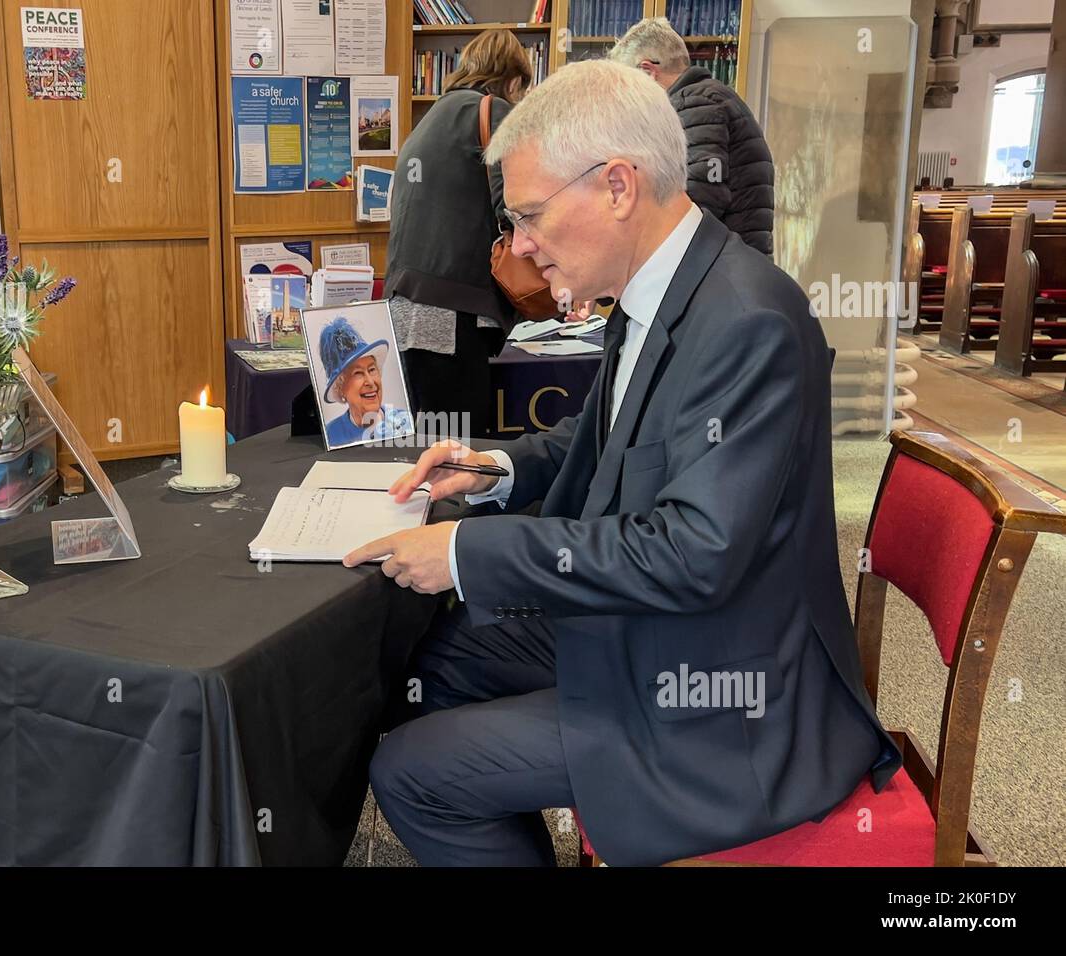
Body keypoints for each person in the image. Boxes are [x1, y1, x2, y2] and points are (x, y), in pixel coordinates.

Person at [342, 60, 900, 866]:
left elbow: (692, 553)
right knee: (428, 658)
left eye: (530, 215)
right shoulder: (665, 291)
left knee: (411, 771)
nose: (521, 247)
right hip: (656, 630)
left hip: (722, 693)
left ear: (616, 186)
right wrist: (491, 468)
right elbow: (603, 439)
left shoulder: (749, 321)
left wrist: (466, 551)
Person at [384, 29, 533, 441]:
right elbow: (514, 205)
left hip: (404, 305)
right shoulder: (495, 112)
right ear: (515, 81)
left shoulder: (431, 116)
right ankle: (457, 508)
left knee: (422, 440)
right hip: (451, 312)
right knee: (457, 449)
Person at [608, 17, 774, 255]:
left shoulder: (696, 103)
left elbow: (700, 196)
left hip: (719, 269)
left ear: (647, 72)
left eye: (626, 86)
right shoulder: (710, 98)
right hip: (734, 263)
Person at [317, 316, 413, 447]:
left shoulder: (405, 422)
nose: (370, 382)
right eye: (358, 373)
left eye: (372, 369)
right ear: (340, 388)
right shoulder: (331, 435)